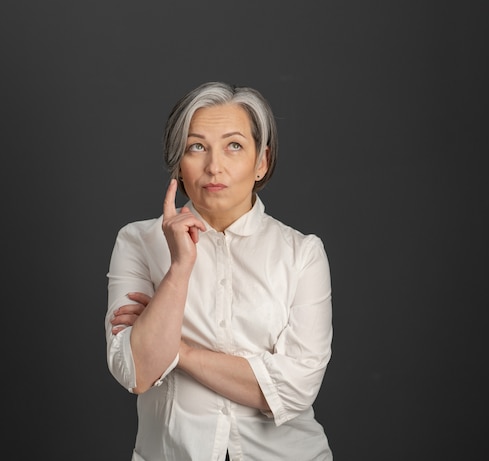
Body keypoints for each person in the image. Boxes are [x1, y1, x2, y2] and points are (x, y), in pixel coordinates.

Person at [105, 81, 334, 461]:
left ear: (261, 162)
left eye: (234, 146)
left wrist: (177, 351)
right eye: (197, 146)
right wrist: (179, 268)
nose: (214, 166)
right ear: (179, 161)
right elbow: (136, 372)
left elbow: (295, 389)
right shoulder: (137, 242)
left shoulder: (301, 254)